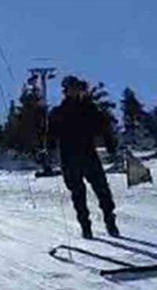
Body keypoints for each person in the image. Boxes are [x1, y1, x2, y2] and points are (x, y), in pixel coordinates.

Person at [47, 76, 119, 239]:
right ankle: (85, 227)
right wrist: (48, 152)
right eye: (71, 89)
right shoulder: (58, 112)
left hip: (88, 155)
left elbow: (104, 128)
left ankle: (110, 221)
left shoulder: (89, 109)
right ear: (66, 91)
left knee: (103, 191)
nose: (75, 92)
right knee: (78, 195)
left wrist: (110, 145)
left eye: (77, 89)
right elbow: (51, 135)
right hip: (69, 158)